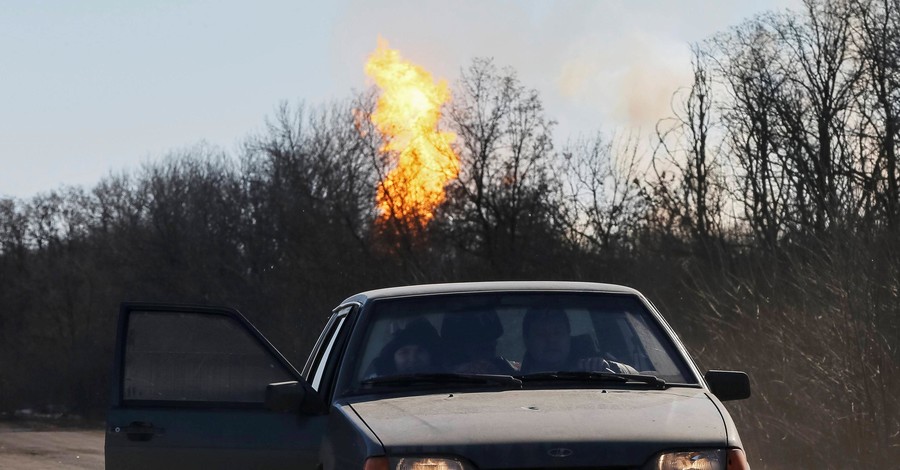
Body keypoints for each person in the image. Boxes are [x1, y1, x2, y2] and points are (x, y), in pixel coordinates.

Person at [520, 307, 638, 374]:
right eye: (541, 334)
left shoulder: (599, 372)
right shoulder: (507, 380)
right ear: (527, 340)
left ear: (568, 336)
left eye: (558, 333)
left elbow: (637, 374)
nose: (551, 339)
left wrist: (611, 367)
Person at [440, 309, 517, 375]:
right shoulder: (444, 376)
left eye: (492, 342)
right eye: (483, 347)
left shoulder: (503, 367)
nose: (493, 345)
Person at [369, 319, 442, 376]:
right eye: (404, 352)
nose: (413, 359)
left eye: (420, 351)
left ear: (431, 356)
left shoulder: (447, 382)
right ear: (392, 358)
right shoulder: (374, 386)